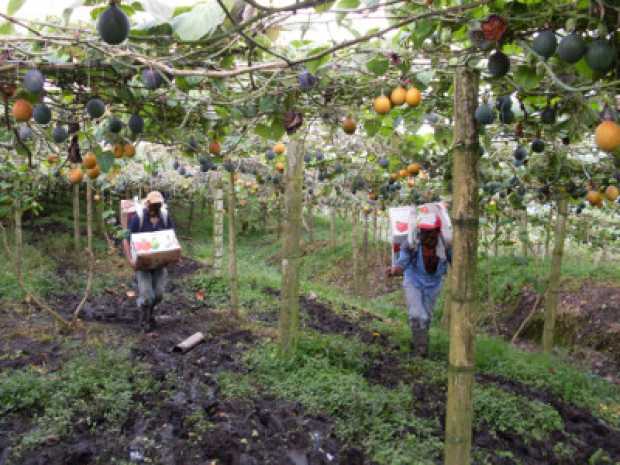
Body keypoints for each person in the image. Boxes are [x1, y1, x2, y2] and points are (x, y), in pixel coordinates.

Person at [387, 221, 451, 358]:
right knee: (416, 315)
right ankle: (420, 350)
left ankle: (420, 345)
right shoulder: (411, 245)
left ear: (438, 231)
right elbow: (402, 264)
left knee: (426, 318)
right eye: (425, 233)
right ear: (419, 232)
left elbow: (457, 264)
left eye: (432, 232)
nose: (428, 236)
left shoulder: (446, 246)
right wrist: (394, 271)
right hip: (413, 280)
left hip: (434, 284)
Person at [123, 191, 175, 332]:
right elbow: (126, 241)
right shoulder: (138, 219)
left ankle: (150, 313)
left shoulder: (165, 218)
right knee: (147, 295)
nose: (155, 208)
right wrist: (130, 261)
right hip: (143, 265)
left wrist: (173, 255)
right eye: (153, 205)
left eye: (158, 205)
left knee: (158, 295)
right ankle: (144, 319)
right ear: (147, 204)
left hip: (160, 264)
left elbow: (171, 238)